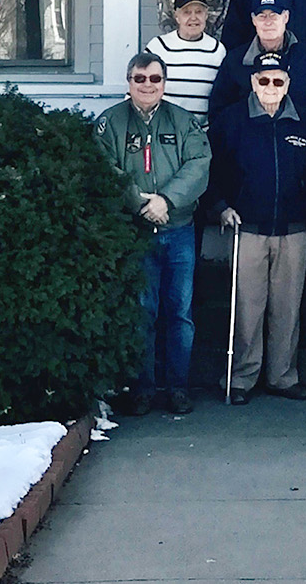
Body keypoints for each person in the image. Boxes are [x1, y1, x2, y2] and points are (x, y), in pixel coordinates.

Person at [93, 50, 211, 416]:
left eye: (155, 79)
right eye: (139, 79)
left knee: (180, 313)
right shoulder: (109, 123)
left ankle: (177, 388)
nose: (148, 85)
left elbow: (199, 163)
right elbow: (104, 166)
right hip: (135, 233)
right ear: (129, 83)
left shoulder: (183, 121)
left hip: (179, 231)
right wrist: (139, 204)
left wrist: (166, 201)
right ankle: (142, 388)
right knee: (142, 312)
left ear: (164, 83)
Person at [206, 52, 306, 403]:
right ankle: (241, 377)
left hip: (294, 227)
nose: (270, 87)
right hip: (248, 226)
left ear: (287, 83)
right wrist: (221, 207)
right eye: (263, 80)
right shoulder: (230, 121)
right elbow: (211, 169)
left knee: (288, 306)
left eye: (277, 81)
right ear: (252, 82)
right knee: (247, 306)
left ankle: (283, 377)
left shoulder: (304, 121)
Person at [208, 0, 306, 126]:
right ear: (253, 20)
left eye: (274, 15)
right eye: (262, 16)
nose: (268, 22)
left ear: (286, 17)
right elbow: (218, 112)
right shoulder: (235, 60)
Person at [145, 0, 228, 121]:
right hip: (164, 132)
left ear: (206, 15)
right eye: (187, 12)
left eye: (198, 12)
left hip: (202, 134)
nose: (193, 18)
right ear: (177, 16)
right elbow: (138, 87)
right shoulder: (158, 47)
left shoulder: (218, 50)